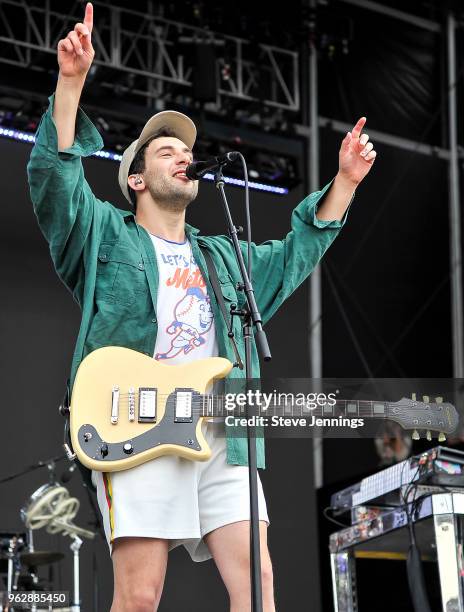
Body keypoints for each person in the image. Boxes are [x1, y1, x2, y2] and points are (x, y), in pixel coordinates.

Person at [27, 3, 376, 611]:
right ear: (135, 178)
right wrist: (70, 84)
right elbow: (56, 182)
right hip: (134, 425)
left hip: (223, 432)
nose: (181, 156)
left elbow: (295, 254)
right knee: (140, 596)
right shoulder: (106, 236)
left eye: (184, 151)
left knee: (259, 588)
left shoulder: (224, 258)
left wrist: (343, 183)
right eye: (164, 151)